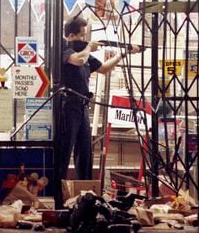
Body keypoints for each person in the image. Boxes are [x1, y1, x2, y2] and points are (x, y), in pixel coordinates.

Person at [59, 16, 140, 180]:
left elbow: (103, 68)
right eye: (82, 35)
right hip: (68, 107)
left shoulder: (84, 52)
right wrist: (89, 46)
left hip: (82, 106)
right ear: (71, 36)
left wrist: (122, 54)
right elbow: (79, 60)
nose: (84, 39)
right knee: (64, 152)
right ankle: (58, 193)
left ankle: (86, 190)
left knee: (85, 153)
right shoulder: (65, 49)